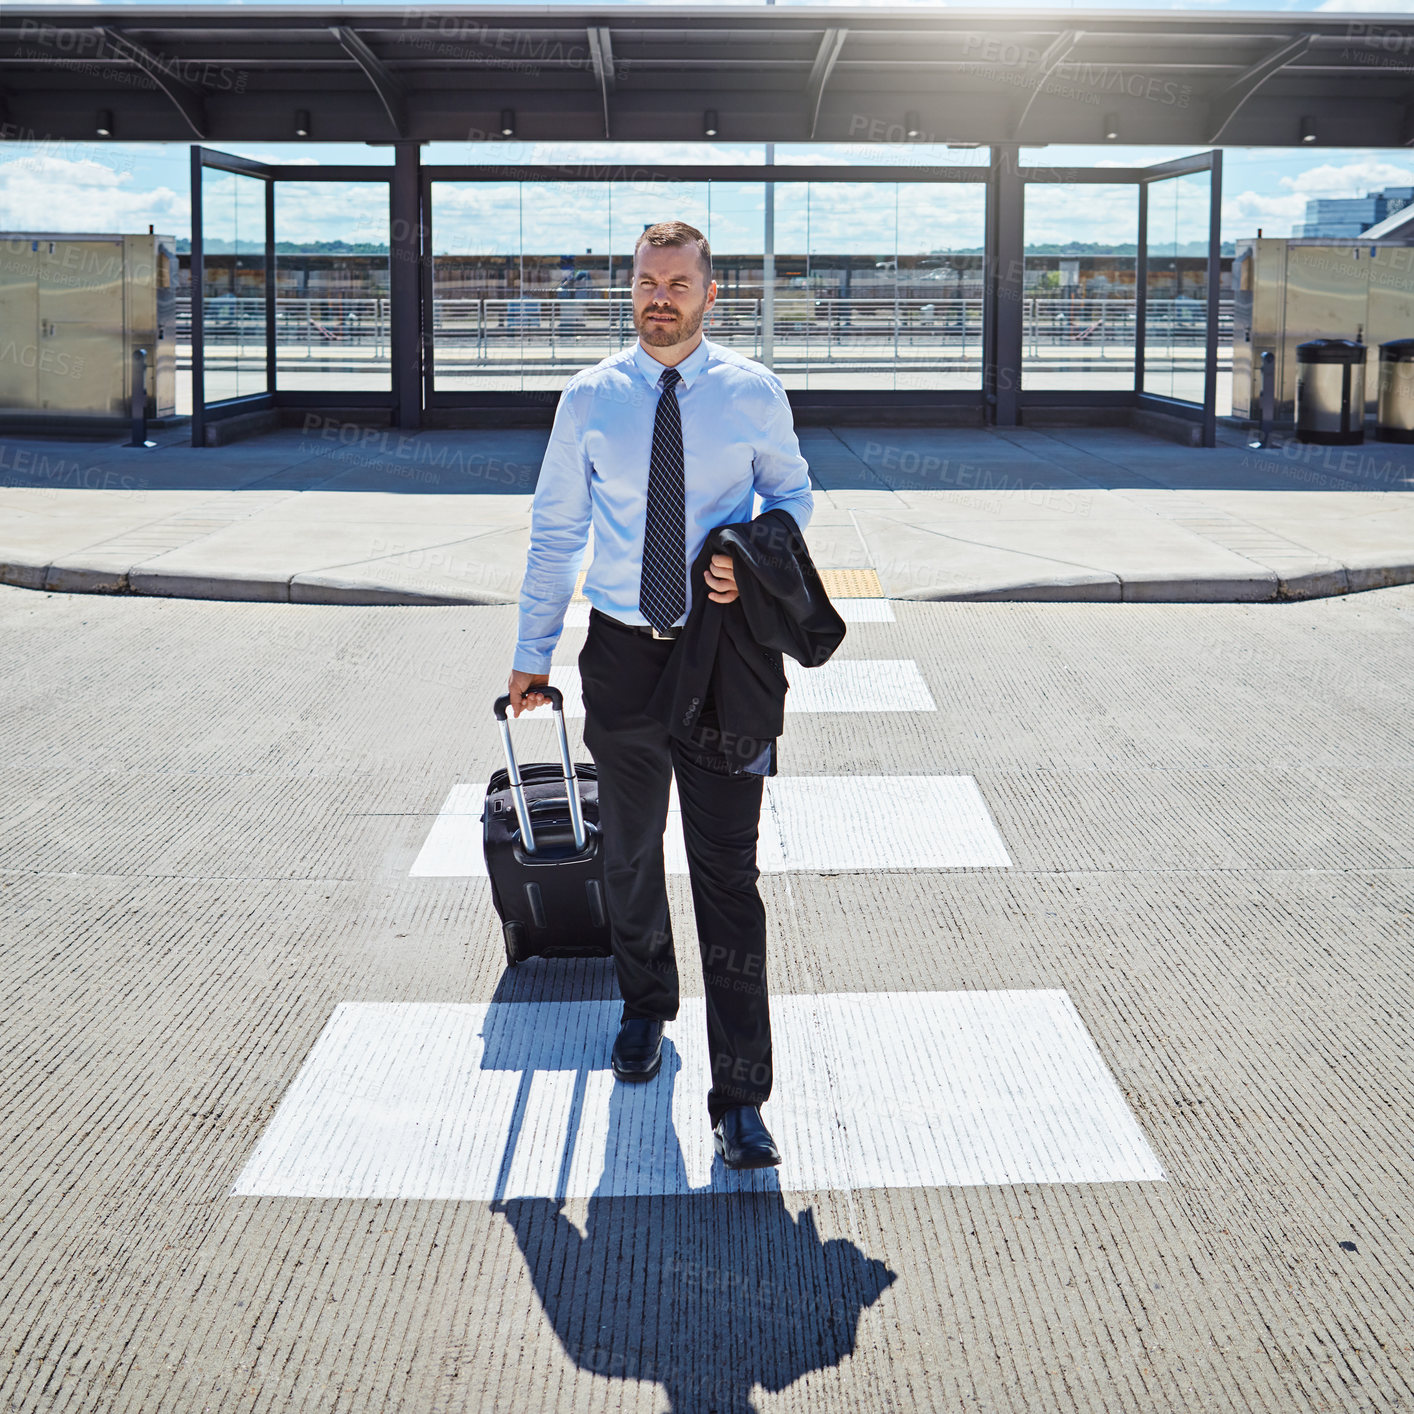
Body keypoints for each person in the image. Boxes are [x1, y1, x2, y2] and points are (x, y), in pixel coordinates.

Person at [505, 220, 813, 1170]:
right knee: (631, 853)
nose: (660, 297)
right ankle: (645, 1004)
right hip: (623, 658)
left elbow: (792, 498)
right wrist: (532, 657)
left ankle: (742, 1097)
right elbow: (556, 530)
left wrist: (749, 560)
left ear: (710, 293)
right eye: (647, 281)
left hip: (724, 663)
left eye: (678, 282)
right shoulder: (590, 398)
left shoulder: (752, 392)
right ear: (629, 288)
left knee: (729, 876)